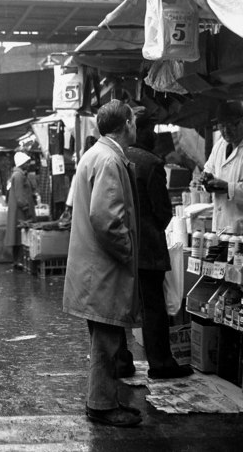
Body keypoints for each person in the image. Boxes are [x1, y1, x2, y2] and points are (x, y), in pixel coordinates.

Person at [62, 99, 142, 427]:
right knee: (107, 339)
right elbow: (106, 219)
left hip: (94, 267)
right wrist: (127, 251)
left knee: (103, 338)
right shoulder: (109, 159)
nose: (136, 126)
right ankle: (101, 405)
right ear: (125, 124)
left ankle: (103, 400)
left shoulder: (96, 154)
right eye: (134, 120)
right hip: (104, 267)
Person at [126, 115, 194, 380]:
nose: (155, 136)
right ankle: (161, 363)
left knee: (127, 305)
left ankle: (122, 360)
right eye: (151, 130)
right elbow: (163, 211)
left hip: (125, 246)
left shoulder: (121, 158)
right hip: (149, 247)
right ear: (138, 131)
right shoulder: (151, 163)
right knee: (154, 307)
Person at [201, 100, 243, 234]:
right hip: (220, 226)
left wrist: (227, 187)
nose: (226, 131)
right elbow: (208, 169)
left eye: (232, 125)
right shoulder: (219, 146)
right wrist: (206, 181)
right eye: (222, 126)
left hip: (240, 228)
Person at [4, 151, 36, 271]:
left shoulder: (19, 175)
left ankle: (18, 261)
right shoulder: (18, 176)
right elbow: (19, 195)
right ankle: (18, 261)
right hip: (20, 211)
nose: (29, 164)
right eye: (27, 162)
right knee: (20, 236)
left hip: (19, 209)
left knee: (18, 236)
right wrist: (26, 208)